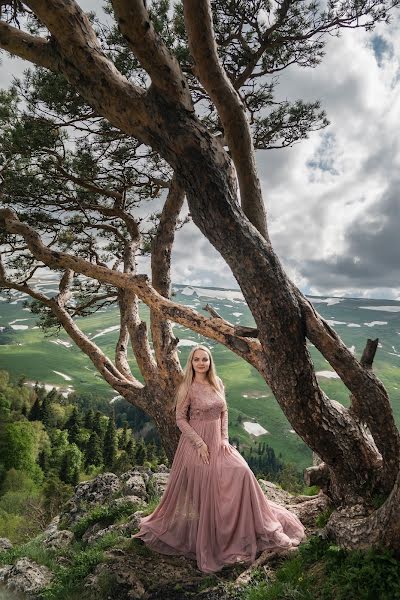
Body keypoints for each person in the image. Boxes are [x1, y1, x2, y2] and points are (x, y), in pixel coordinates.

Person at [132, 344, 305, 573]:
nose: (201, 363)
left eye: (205, 359)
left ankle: (246, 522)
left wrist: (224, 439)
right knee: (212, 483)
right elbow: (180, 419)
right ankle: (218, 530)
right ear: (191, 363)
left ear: (210, 361)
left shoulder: (218, 382)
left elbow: (224, 411)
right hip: (197, 444)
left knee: (242, 471)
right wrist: (199, 443)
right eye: (197, 360)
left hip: (218, 442)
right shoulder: (188, 387)